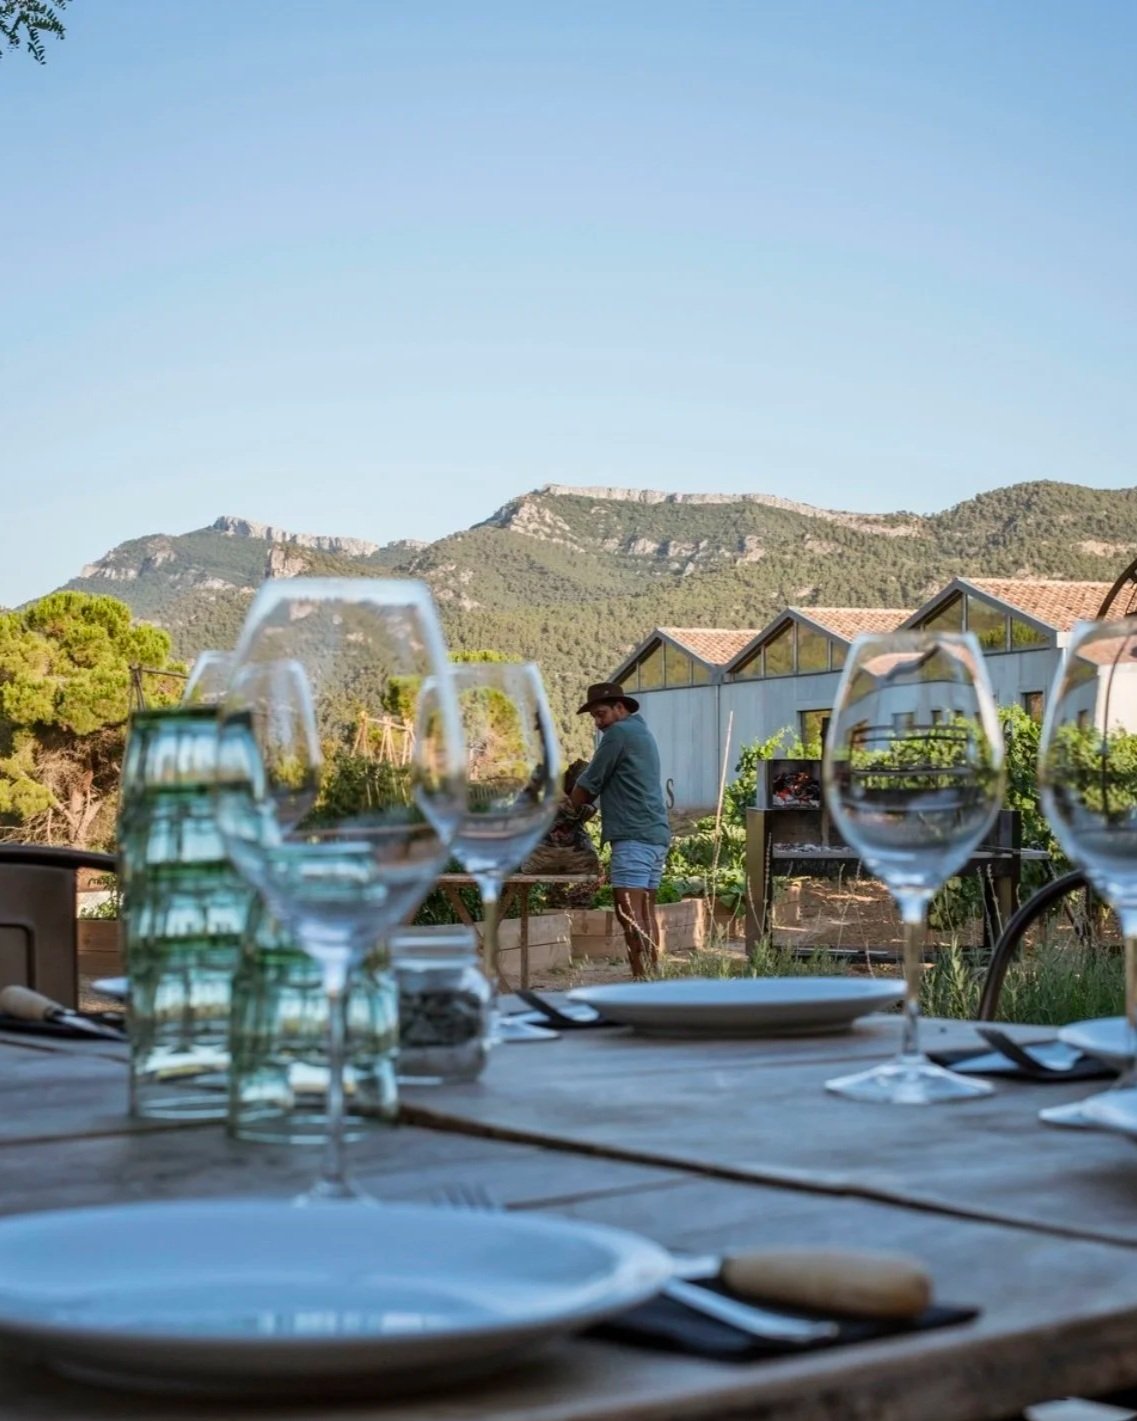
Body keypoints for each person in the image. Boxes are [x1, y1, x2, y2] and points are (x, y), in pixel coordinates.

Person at [569, 682, 671, 978]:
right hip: (655, 833)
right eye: (595, 719)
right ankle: (651, 977)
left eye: (601, 715)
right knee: (645, 912)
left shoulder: (619, 734)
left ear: (620, 707)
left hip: (633, 835)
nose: (599, 724)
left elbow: (587, 786)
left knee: (628, 912)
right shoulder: (642, 732)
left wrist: (559, 809)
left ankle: (642, 979)